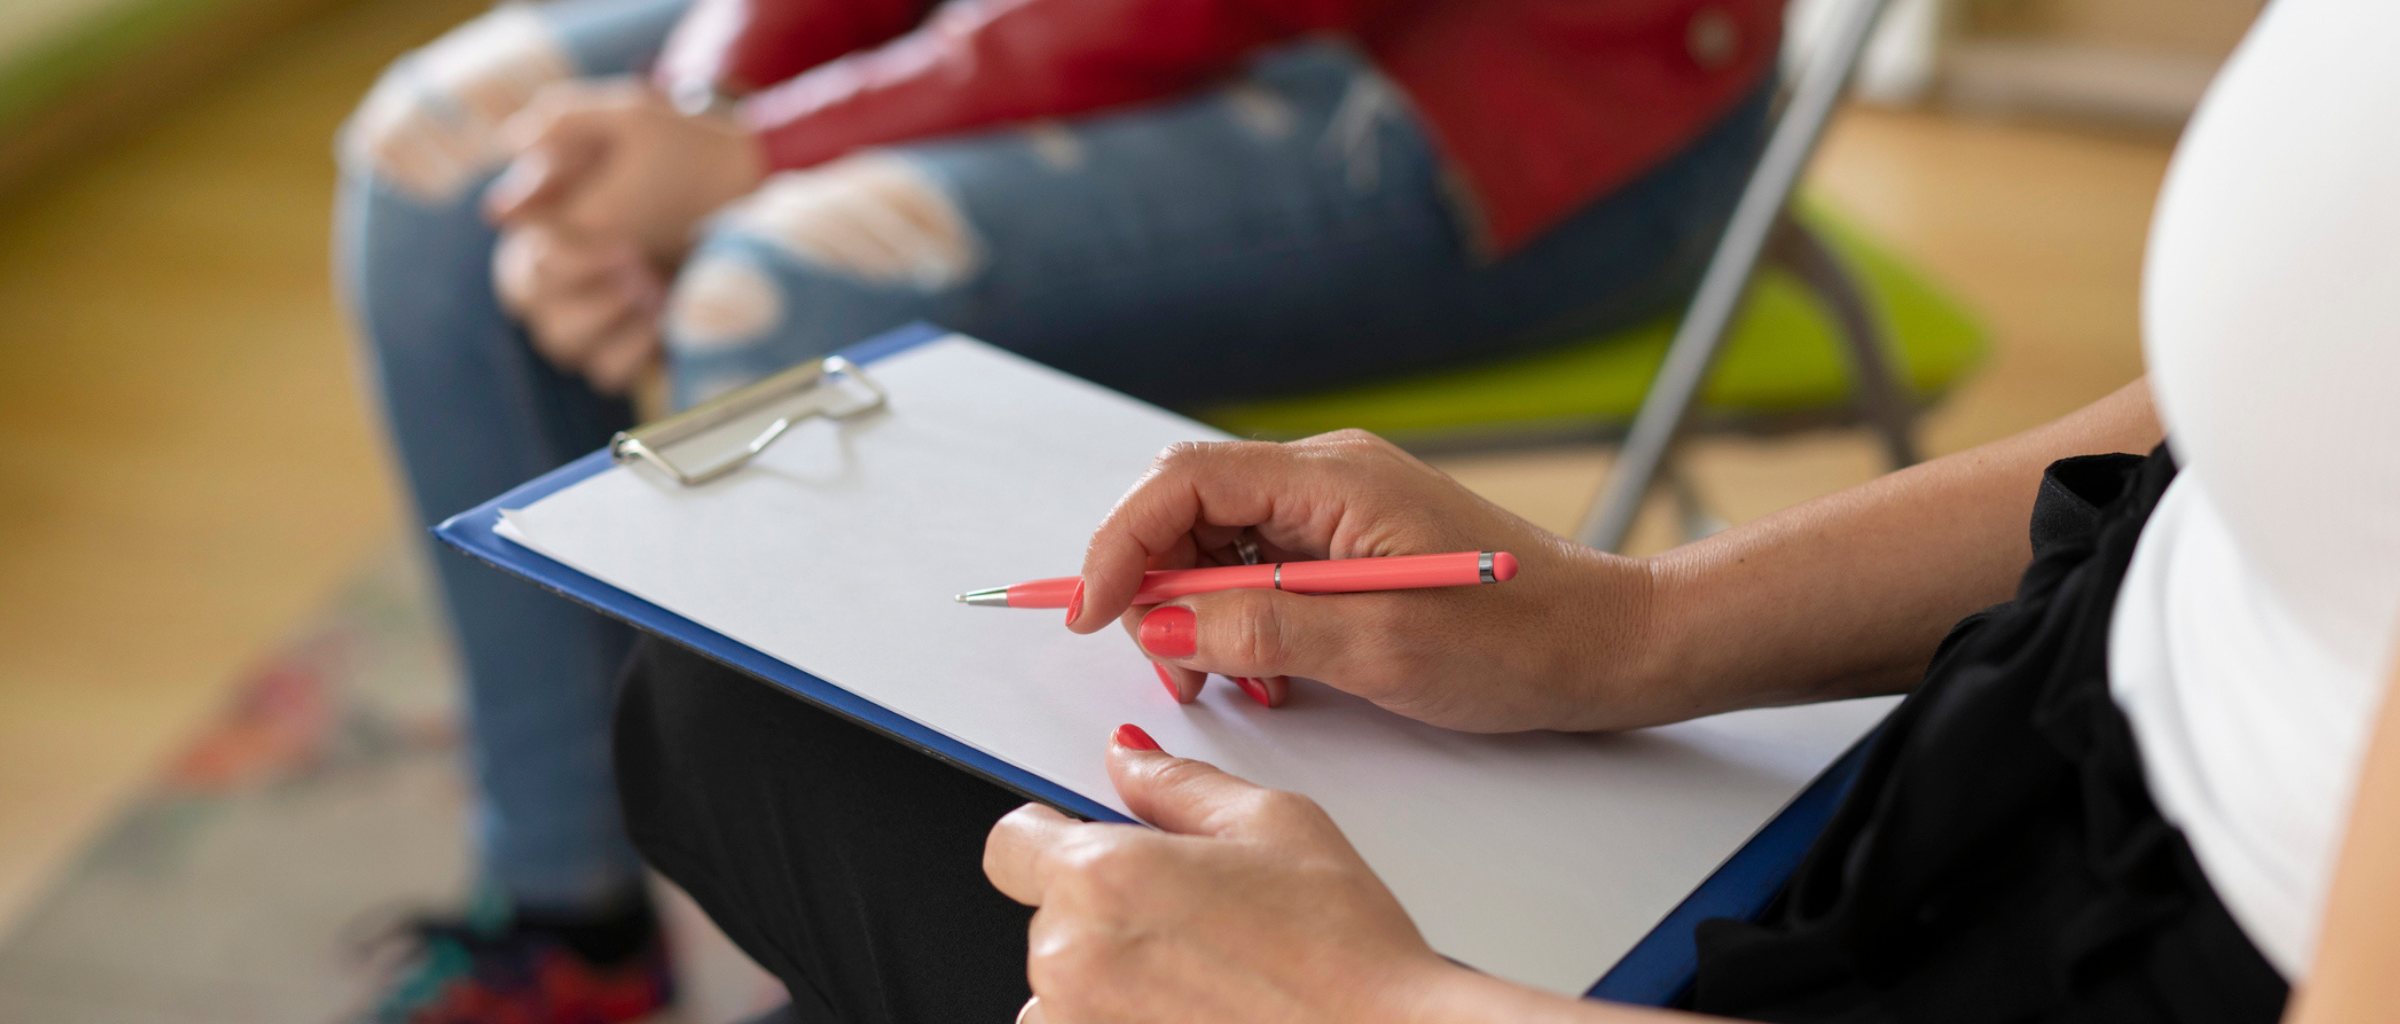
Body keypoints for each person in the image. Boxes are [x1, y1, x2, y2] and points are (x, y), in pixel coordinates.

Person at [604, 0, 2400, 1020]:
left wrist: (1387, 1010)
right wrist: (1638, 624)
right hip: (2003, 758)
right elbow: (2233, 444)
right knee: (733, 709)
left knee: (733, 733)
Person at [335, 0, 1785, 1018]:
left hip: (1502, 68)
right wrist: (707, 107)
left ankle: (850, 956)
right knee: (435, 167)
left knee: (775, 289)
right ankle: (565, 913)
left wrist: (755, 156)